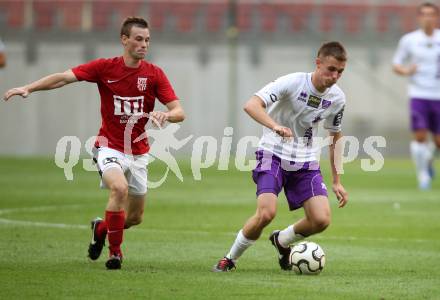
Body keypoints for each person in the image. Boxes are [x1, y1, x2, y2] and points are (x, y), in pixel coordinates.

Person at [3, 17, 185, 270]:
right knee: (118, 189)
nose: (144, 44)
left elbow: (179, 111)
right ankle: (115, 253)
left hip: (139, 152)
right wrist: (28, 88)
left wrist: (166, 114)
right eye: (138, 39)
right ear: (124, 40)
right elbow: (63, 78)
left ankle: (101, 228)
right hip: (108, 146)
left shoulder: (154, 74)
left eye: (147, 40)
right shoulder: (104, 67)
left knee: (134, 218)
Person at [213, 41, 349, 272]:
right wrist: (275, 126)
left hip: (305, 161)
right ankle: (230, 258)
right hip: (272, 153)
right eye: (331, 69)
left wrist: (337, 180)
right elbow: (251, 105)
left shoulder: (337, 98)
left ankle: (282, 240)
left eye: (340, 72)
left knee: (321, 220)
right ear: (318, 63)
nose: (335, 76)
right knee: (266, 213)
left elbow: (335, 136)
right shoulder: (293, 82)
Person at [392, 2, 440, 190]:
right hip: (419, 94)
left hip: (438, 95)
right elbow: (396, 64)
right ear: (419, 17)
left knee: (437, 141)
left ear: (436, 17)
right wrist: (406, 71)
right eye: (424, 14)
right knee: (419, 136)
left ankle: (427, 160)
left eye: (431, 14)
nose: (428, 18)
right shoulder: (409, 40)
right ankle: (423, 176)